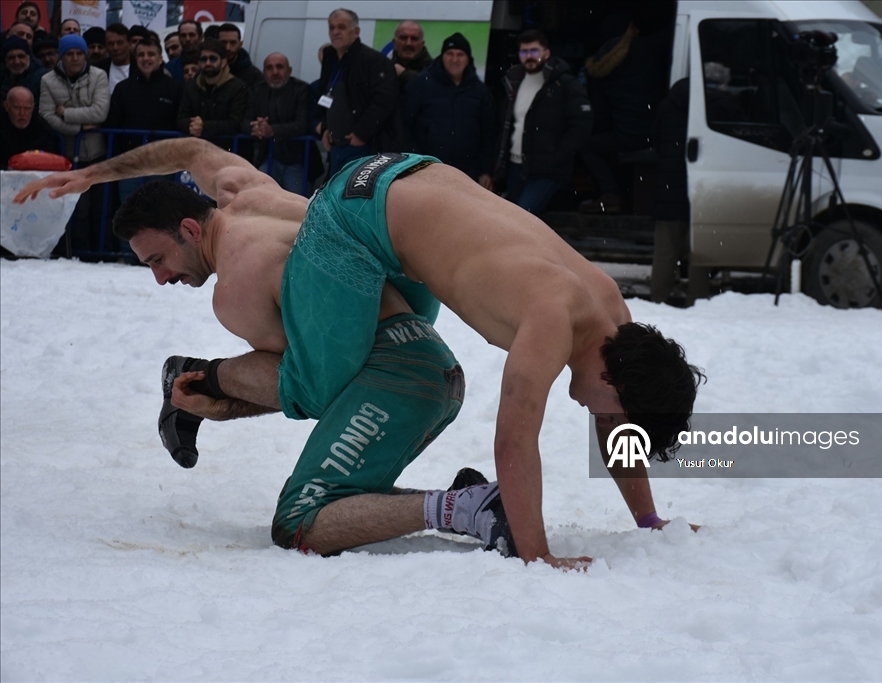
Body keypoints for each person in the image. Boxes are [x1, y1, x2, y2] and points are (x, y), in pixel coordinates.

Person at [16, 140, 703, 569]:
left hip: (400, 170)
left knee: (371, 346)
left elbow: (192, 149)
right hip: (351, 222)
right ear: (612, 372)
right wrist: (539, 552)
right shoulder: (551, 324)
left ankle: (202, 389)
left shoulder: (610, 310)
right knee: (318, 383)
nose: (595, 413)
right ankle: (205, 383)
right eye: (607, 408)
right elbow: (513, 441)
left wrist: (647, 517)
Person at [578, 18, 673, 214]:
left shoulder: (598, 66)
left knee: (588, 147)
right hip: (655, 132)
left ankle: (610, 194)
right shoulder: (645, 49)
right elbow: (674, 31)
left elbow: (602, 113)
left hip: (625, 134)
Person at [495, 29, 592, 215]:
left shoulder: (564, 84)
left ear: (546, 53)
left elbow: (583, 124)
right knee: (514, 222)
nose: (529, 56)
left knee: (521, 217)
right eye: (524, 52)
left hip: (546, 170)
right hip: (515, 167)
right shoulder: (512, 81)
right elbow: (506, 126)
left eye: (534, 51)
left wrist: (556, 156)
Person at [39, 34, 110, 254]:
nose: (75, 58)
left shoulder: (98, 76)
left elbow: (100, 112)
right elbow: (47, 115)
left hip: (96, 152)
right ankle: (77, 254)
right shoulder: (47, 80)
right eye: (70, 54)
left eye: (80, 53)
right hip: (67, 154)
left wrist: (66, 113)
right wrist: (79, 128)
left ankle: (98, 253)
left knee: (99, 208)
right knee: (76, 208)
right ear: (62, 56)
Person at [402, 32, 495, 189]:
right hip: (428, 169)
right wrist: (417, 162)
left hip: (467, 173)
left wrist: (487, 170)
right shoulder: (420, 84)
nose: (454, 59)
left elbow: (488, 133)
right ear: (442, 56)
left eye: (460, 54)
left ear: (468, 58)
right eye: (450, 54)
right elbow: (403, 126)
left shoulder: (480, 91)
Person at [316, 8, 402, 174]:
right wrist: (327, 127)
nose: (335, 32)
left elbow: (384, 100)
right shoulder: (330, 59)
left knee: (354, 197)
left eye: (341, 27)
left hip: (362, 147)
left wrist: (360, 135)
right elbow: (327, 94)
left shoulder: (374, 61)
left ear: (356, 32)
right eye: (331, 27)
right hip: (336, 146)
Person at [105, 37, 182, 200]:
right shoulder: (123, 88)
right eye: (141, 55)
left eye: (151, 54)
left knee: (160, 214)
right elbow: (113, 124)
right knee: (130, 214)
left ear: (160, 59)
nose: (146, 58)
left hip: (163, 165)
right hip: (130, 165)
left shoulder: (175, 88)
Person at [241, 53, 312, 196]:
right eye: (269, 68)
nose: (275, 72)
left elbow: (302, 124)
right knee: (260, 199)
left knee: (296, 206)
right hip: (267, 158)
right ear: (264, 72)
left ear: (289, 70)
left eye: (280, 67)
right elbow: (244, 122)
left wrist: (272, 130)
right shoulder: (256, 91)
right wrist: (256, 127)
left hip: (297, 161)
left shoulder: (301, 89)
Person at [649, 78, 690, 304]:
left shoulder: (667, 106)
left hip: (667, 185)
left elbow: (657, 139)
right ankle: (699, 297)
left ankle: (659, 297)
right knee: (698, 252)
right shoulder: (712, 105)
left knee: (665, 252)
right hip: (696, 186)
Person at [177, 39, 247, 150]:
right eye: (204, 59)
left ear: (223, 62)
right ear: (199, 63)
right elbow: (181, 118)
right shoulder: (191, 86)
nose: (208, 63)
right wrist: (191, 126)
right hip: (196, 150)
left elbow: (235, 123)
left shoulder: (238, 87)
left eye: (213, 59)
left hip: (227, 151)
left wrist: (203, 126)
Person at [1, 86, 56, 168]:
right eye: (17, 108)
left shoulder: (43, 130)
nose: (22, 113)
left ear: (33, 108)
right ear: (6, 106)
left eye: (27, 108)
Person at [1, 36, 45, 105]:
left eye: (21, 56)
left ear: (28, 57)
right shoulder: (3, 77)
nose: (17, 62)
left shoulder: (43, 77)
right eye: (11, 57)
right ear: (5, 60)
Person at [217, 23, 263, 88]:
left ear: (240, 44)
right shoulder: (208, 70)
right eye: (223, 42)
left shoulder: (254, 76)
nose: (228, 48)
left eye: (233, 42)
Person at [390, 20, 430, 91]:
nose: (408, 43)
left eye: (414, 39)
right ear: (394, 42)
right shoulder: (382, 68)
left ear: (422, 44)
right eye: (403, 38)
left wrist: (404, 74)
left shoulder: (436, 69)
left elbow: (431, 89)